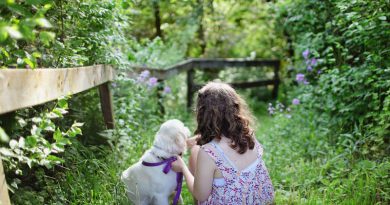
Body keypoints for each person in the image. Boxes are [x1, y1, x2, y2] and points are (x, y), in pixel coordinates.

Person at [172, 82, 275, 204]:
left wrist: (183, 168)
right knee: (196, 149)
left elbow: (201, 195)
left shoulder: (208, 152)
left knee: (195, 151)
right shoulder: (249, 136)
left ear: (203, 114)